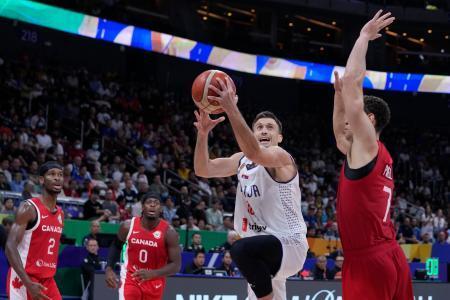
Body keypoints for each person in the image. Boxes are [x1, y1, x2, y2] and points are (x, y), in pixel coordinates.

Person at [194, 80, 308, 300]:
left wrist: (230, 108)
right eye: (259, 127)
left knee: (240, 249)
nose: (264, 130)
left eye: (270, 127)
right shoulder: (241, 160)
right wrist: (203, 134)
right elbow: (203, 169)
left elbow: (256, 153)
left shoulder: (282, 158)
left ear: (279, 138)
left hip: (288, 245)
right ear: (253, 133)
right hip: (262, 250)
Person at [332, 10, 413, 300]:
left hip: (370, 260)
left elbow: (354, 82)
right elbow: (340, 135)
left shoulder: (367, 142)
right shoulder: (372, 153)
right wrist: (337, 97)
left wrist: (364, 37)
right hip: (388, 253)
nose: (349, 119)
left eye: (356, 114)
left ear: (370, 119)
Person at [5, 161, 65, 299]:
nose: (57, 178)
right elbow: (10, 246)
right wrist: (28, 282)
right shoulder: (29, 208)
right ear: (42, 180)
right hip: (24, 279)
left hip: (47, 279)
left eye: (60, 175)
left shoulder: (61, 214)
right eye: (52, 174)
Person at [105, 192, 181, 299]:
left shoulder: (169, 233)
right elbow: (116, 246)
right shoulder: (127, 226)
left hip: (154, 282)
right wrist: (109, 268)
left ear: (161, 209)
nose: (152, 205)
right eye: (149, 202)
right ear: (142, 207)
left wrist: (153, 273)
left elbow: (176, 265)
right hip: (130, 278)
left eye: (156, 203)